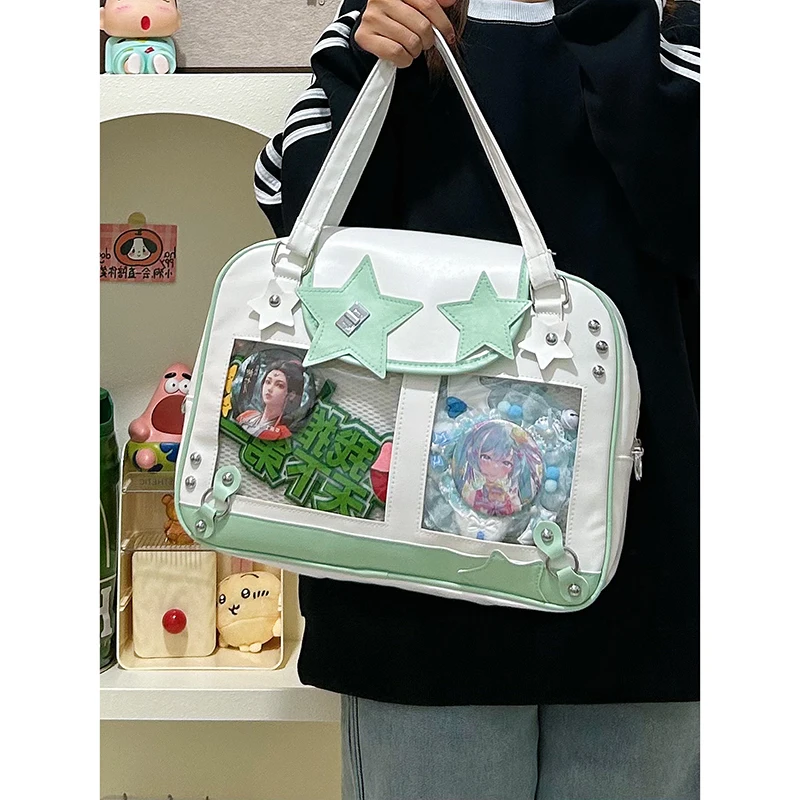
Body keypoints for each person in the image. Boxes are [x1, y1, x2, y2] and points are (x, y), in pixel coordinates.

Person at [254, 1, 700, 797]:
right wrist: (373, 63)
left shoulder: (679, 20)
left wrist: (612, 21)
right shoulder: (389, 12)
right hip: (415, 597)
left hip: (641, 575)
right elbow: (296, 215)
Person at [234, 359, 305, 440]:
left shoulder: (283, 431)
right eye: (268, 382)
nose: (270, 388)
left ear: (291, 395)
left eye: (279, 385)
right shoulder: (247, 415)